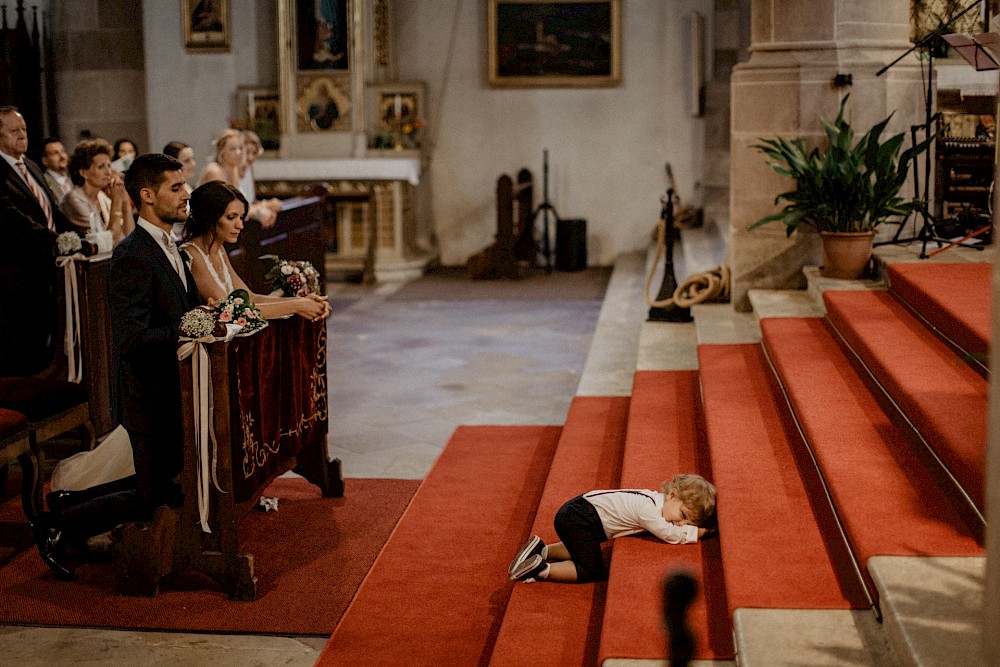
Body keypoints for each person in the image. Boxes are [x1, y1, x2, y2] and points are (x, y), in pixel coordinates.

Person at [32, 154, 202, 581]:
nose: (186, 195)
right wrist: (190, 326)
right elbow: (131, 340)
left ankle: (65, 504)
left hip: (174, 387)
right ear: (147, 196)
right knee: (155, 496)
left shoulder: (170, 246)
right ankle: (59, 524)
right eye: (176, 188)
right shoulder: (133, 255)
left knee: (162, 487)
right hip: (148, 394)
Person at [508, 473, 717, 583]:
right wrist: (703, 532)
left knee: (585, 547)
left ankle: (542, 550)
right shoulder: (649, 511)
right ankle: (540, 570)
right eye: (683, 516)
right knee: (592, 569)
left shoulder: (653, 500)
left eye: (688, 524)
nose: (680, 524)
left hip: (578, 512)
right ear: (671, 495)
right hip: (579, 518)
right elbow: (670, 535)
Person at [182, 180, 330, 321]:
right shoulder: (193, 254)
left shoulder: (218, 249)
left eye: (241, 217)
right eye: (231, 217)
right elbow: (231, 308)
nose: (240, 225)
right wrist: (297, 306)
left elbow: (250, 297)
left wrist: (302, 301)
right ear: (209, 217)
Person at [0, 106, 69, 376]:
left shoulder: (29, 166)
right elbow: (12, 219)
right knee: (24, 343)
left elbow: (53, 210)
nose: (22, 136)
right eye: (13, 131)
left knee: (46, 337)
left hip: (48, 269)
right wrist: (58, 240)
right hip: (19, 274)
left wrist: (80, 236)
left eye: (24, 130)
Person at [197, 128, 280, 227]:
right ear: (221, 152)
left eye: (240, 148)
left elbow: (240, 204)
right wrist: (258, 212)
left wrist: (263, 206)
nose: (238, 152)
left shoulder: (234, 170)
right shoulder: (214, 171)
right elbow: (226, 208)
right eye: (233, 149)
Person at [61, 138, 134, 246]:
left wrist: (125, 203)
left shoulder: (102, 196)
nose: (108, 172)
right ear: (83, 172)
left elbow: (130, 238)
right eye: (101, 167)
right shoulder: (74, 199)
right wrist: (117, 202)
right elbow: (109, 242)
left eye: (108, 166)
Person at [163, 140, 197, 239]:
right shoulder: (169, 191)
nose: (193, 164)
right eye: (187, 161)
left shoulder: (190, 187)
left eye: (193, 159)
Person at [40, 137, 72, 202]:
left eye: (63, 151)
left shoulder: (73, 180)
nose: (62, 157)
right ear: (45, 161)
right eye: (55, 153)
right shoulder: (43, 182)